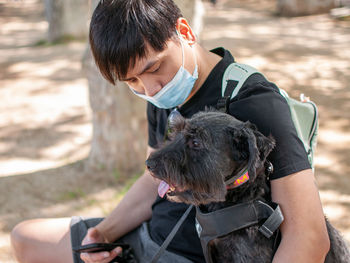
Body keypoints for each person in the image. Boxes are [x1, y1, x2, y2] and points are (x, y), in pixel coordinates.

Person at [11, 0, 330, 262]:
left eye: (153, 68)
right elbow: (155, 182)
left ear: (184, 31)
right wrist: (104, 233)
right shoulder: (162, 95)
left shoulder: (254, 102)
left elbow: (309, 237)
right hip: (147, 237)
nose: (150, 88)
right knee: (26, 239)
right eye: (132, 81)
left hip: (200, 252)